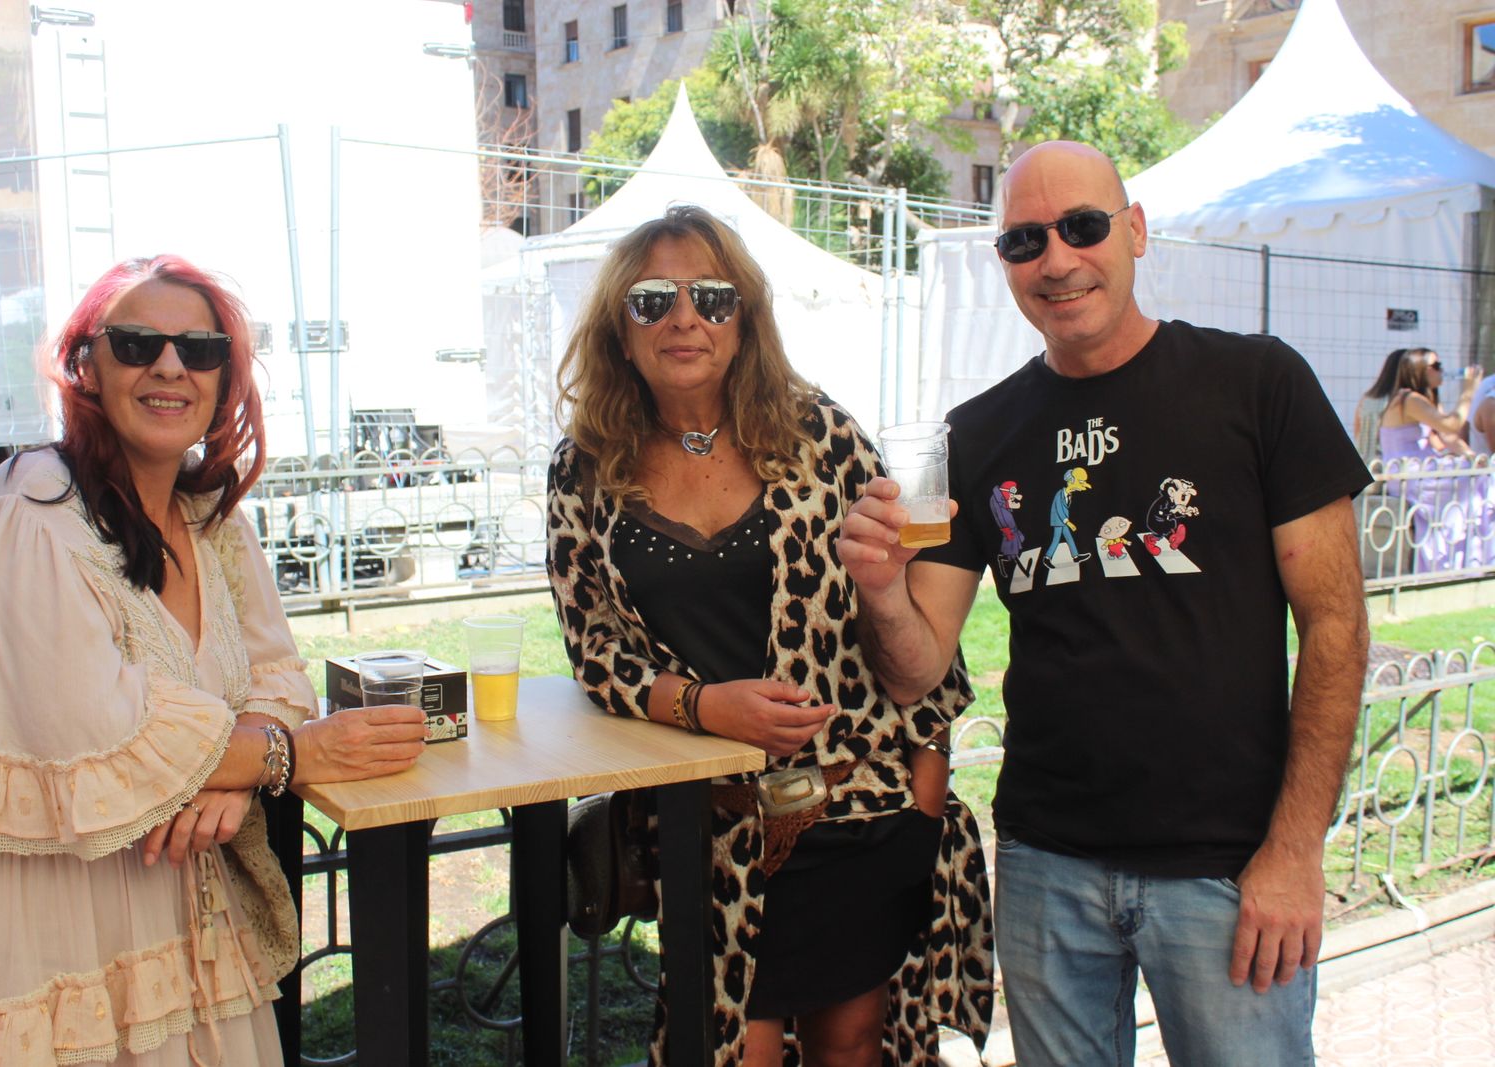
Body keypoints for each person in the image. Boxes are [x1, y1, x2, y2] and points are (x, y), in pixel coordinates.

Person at [838, 142, 1373, 1066]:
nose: (1056, 259)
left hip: (1230, 864)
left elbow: (1336, 627)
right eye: (1023, 240)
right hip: (1049, 863)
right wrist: (882, 589)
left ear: (1134, 231)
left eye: (1083, 227)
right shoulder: (981, 430)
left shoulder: (1257, 384)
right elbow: (918, 662)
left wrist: (1295, 851)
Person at [0, 255, 427, 1065]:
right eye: (138, 342)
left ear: (224, 379)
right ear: (87, 365)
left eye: (200, 349)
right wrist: (284, 755)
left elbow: (278, 673)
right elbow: (90, 726)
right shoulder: (31, 503)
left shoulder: (212, 517)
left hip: (178, 909)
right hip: (31, 916)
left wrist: (236, 763)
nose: (171, 365)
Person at [545, 206, 992, 1066]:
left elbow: (901, 613)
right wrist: (707, 707)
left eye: (712, 296)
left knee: (855, 1042)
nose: (685, 318)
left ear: (745, 317)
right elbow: (595, 649)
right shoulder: (586, 464)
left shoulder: (819, 433)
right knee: (732, 1048)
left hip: (854, 799)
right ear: (618, 329)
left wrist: (925, 801)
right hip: (708, 819)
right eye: (652, 301)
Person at [1378, 349, 1488, 573]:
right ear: (1420, 370)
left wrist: (1474, 459)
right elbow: (1451, 424)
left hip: (1420, 471)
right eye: (1436, 366)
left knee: (1479, 477)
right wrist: (1468, 391)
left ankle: (1469, 555)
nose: (1442, 370)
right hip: (1409, 476)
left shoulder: (1423, 401)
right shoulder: (1408, 399)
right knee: (1475, 487)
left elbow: (1447, 437)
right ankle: (1459, 558)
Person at [1352, 347, 1410, 461]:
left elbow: (1357, 431)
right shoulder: (1401, 400)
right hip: (1388, 464)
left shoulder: (1368, 397)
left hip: (1363, 461)